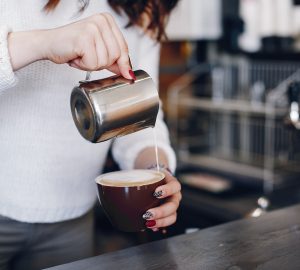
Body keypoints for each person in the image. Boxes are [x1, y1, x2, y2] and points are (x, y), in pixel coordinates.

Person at [0, 0, 181, 269]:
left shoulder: (142, 7)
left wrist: (157, 172)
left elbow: (139, 118)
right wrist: (44, 43)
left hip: (73, 219)